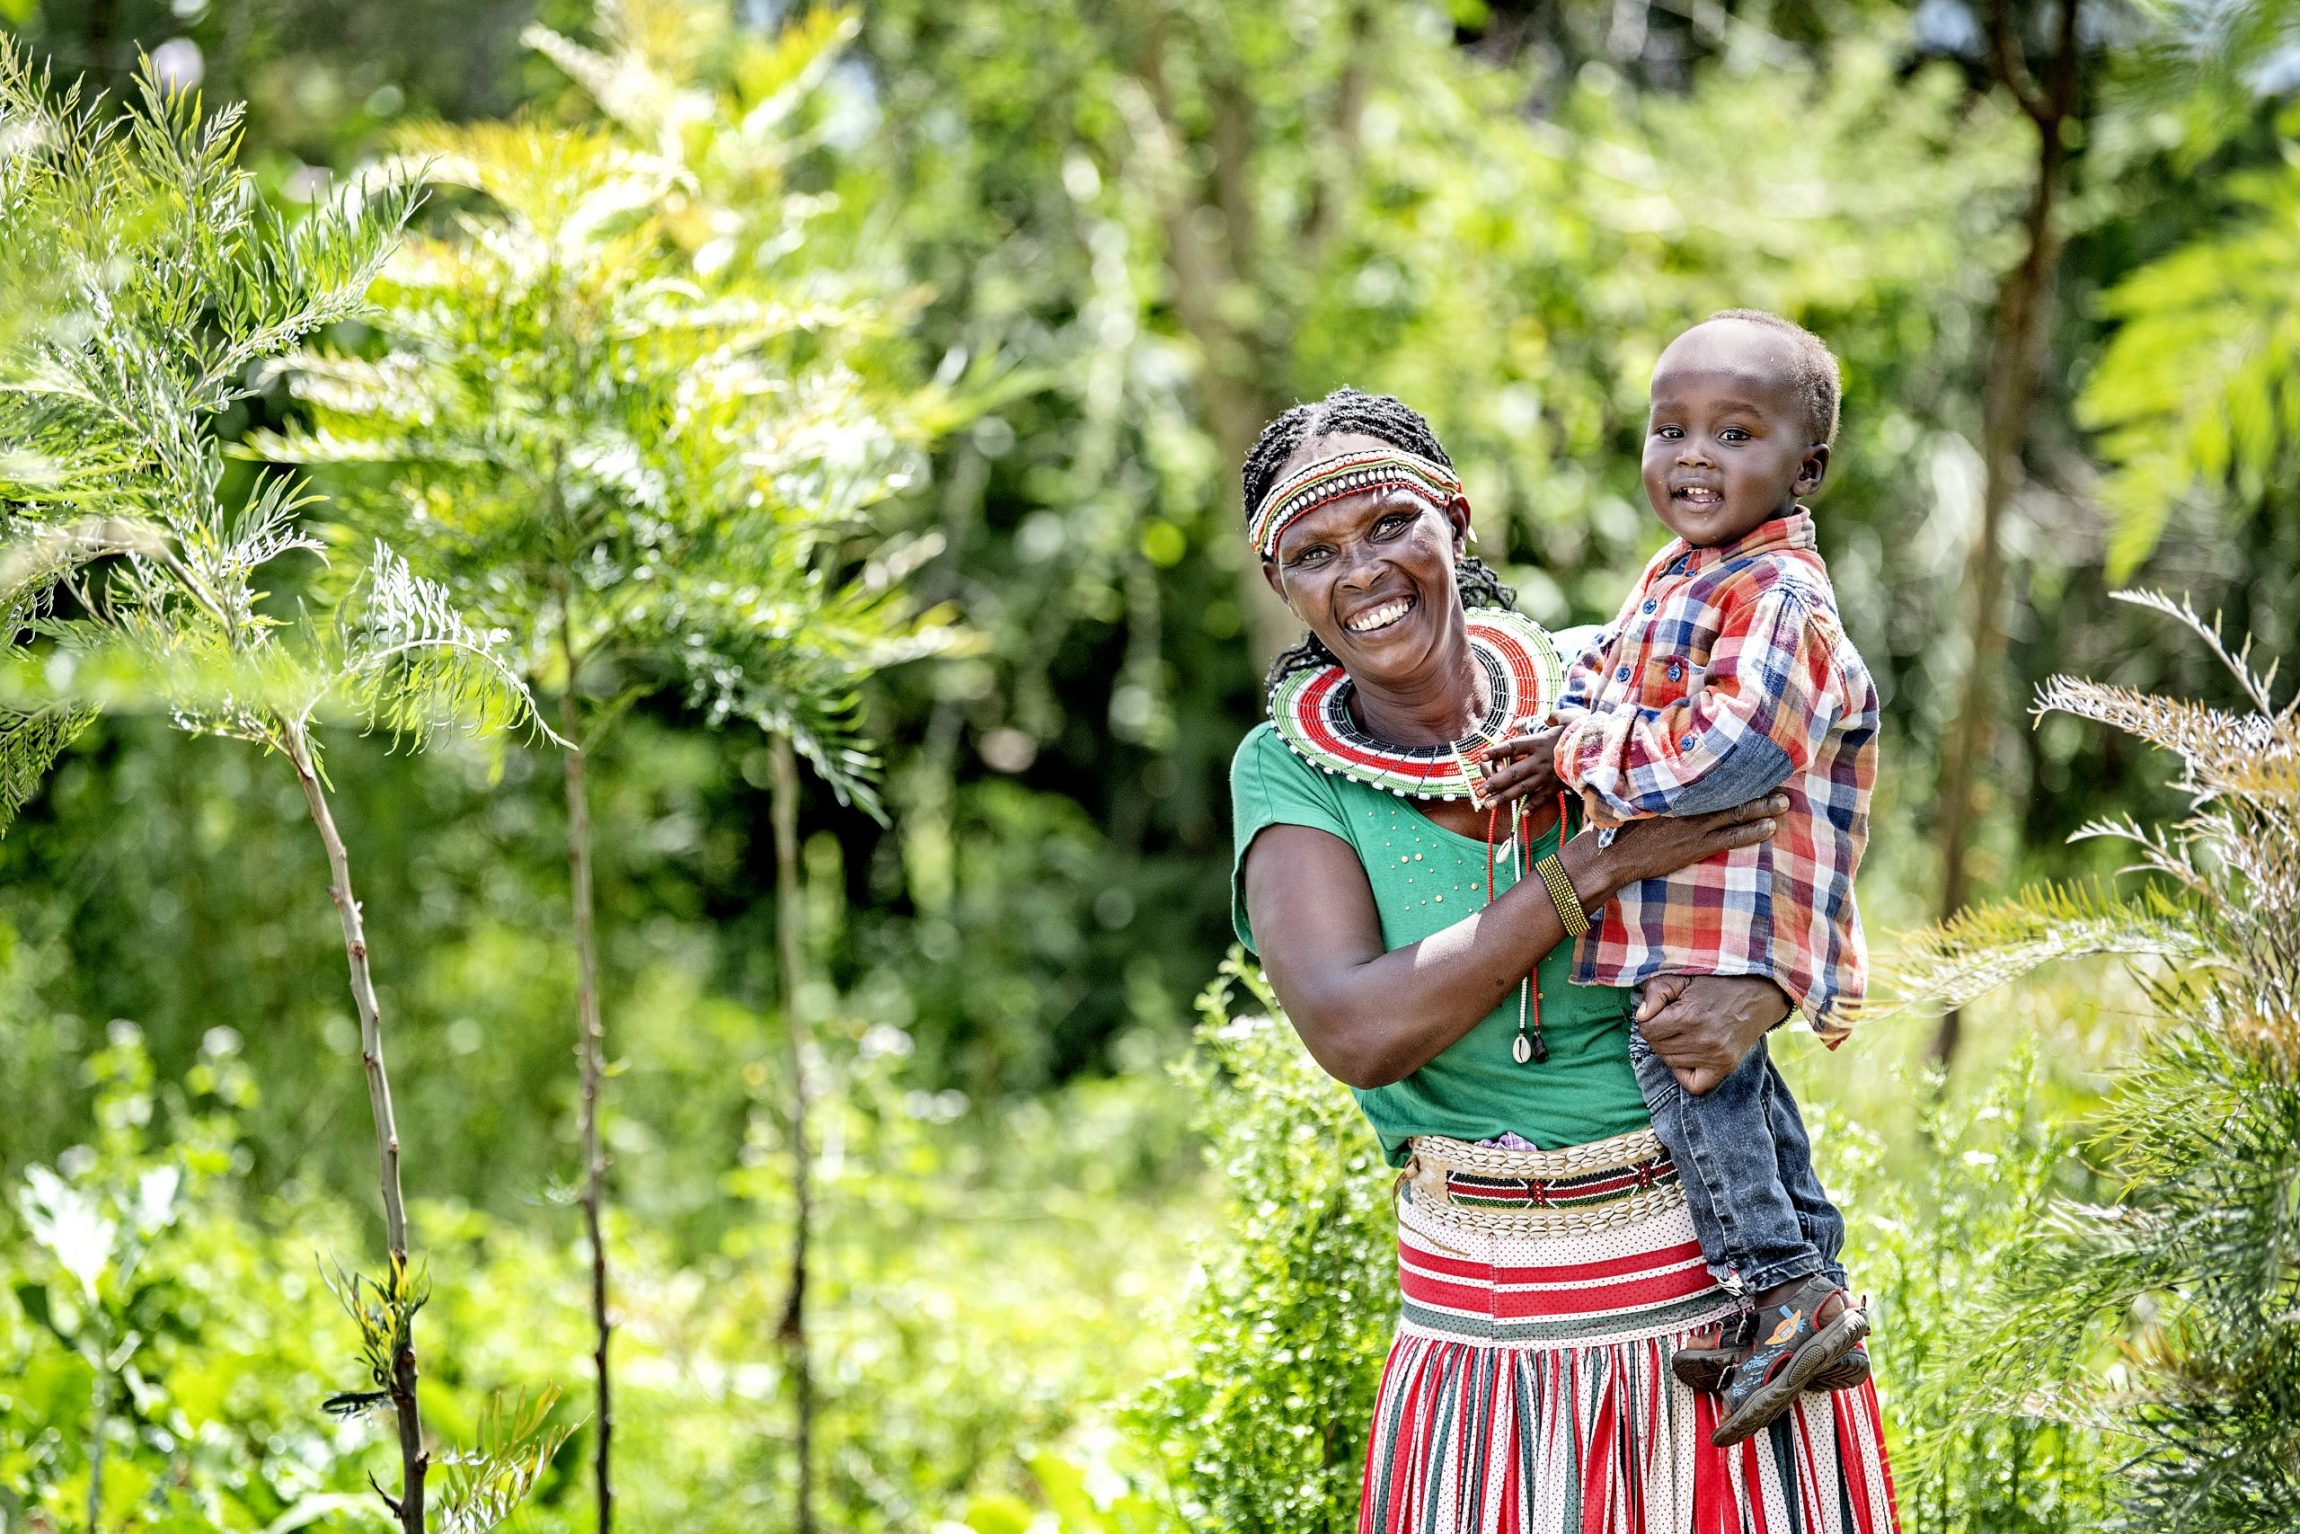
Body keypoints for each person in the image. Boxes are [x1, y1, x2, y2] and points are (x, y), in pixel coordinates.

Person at [1231, 386, 1900, 1529]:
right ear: (1281, 586)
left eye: (1391, 524)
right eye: (1314, 552)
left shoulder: (1610, 680)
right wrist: (1589, 867)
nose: (1361, 572)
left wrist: (1764, 988)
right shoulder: (1287, 774)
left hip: (1725, 1312)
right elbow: (1356, 1029)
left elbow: (1803, 788)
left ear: (1454, 516)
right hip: (1484, 1332)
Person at [1484, 311, 1880, 1448]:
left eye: (1733, 431)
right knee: (1739, 1090)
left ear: (1802, 469)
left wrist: (1576, 753)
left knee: (1681, 1067)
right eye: (1670, 429)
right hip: (1710, 895)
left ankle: (1774, 1280)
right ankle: (1809, 1290)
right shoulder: (1681, 572)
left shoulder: (1775, 597)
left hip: (1742, 895)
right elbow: (1605, 672)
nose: (1692, 455)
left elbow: (1730, 749)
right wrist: (1559, 724)